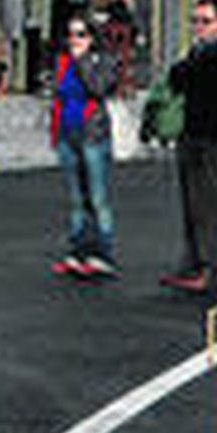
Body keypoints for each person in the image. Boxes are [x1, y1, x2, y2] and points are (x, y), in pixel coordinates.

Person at [161, 0, 217, 297]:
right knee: (192, 204)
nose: (198, 27)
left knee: (208, 205)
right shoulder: (202, 50)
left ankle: (213, 269)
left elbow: (183, 77)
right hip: (192, 135)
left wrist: (186, 68)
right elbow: (178, 77)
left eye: (205, 21)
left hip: (211, 138)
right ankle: (192, 263)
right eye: (194, 21)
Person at [49, 15, 120, 279]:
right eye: (71, 34)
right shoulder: (63, 61)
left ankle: (103, 253)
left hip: (92, 134)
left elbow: (98, 88)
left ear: (92, 38)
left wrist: (82, 61)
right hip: (68, 133)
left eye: (81, 34)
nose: (74, 40)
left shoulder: (103, 61)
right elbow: (59, 95)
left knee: (98, 198)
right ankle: (78, 250)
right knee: (77, 199)